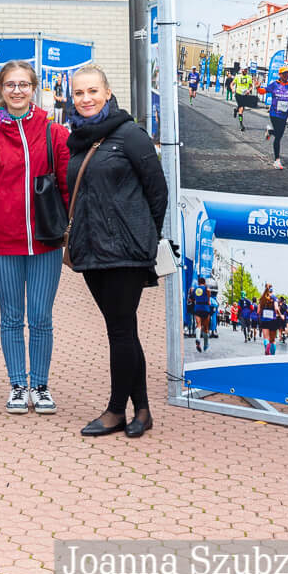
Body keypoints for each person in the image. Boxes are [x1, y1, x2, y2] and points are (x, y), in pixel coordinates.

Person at [60, 64, 169, 438]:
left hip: (126, 252)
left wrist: (143, 237)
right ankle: (142, 410)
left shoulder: (130, 135)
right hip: (92, 251)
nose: (86, 98)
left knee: (120, 331)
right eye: (79, 93)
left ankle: (115, 411)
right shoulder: (78, 138)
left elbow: (158, 192)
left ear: (107, 93)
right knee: (123, 330)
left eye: (93, 91)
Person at [0, 59, 69, 415]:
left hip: (45, 243)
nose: (17, 90)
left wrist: (69, 234)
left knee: (41, 317)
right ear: (1, 89)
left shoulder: (53, 132)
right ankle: (17, 384)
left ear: (33, 88)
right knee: (11, 318)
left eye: (23, 84)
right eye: (10, 84)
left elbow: (67, 188)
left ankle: (39, 385)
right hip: (3, 245)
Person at [263, 68, 288, 169]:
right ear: (280, 75)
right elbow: (263, 91)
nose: (286, 75)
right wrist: (257, 88)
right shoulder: (274, 84)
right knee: (278, 137)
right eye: (284, 74)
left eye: (287, 73)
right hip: (274, 114)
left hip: (284, 115)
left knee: (279, 135)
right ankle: (277, 160)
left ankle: (270, 131)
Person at [189, 274, 215, 352]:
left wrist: (194, 298)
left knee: (198, 325)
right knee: (206, 328)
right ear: (204, 282)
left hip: (197, 308)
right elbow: (209, 292)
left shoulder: (195, 289)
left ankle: (197, 338)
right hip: (205, 308)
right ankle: (206, 344)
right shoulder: (206, 288)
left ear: (198, 282)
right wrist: (209, 299)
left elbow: (190, 299)